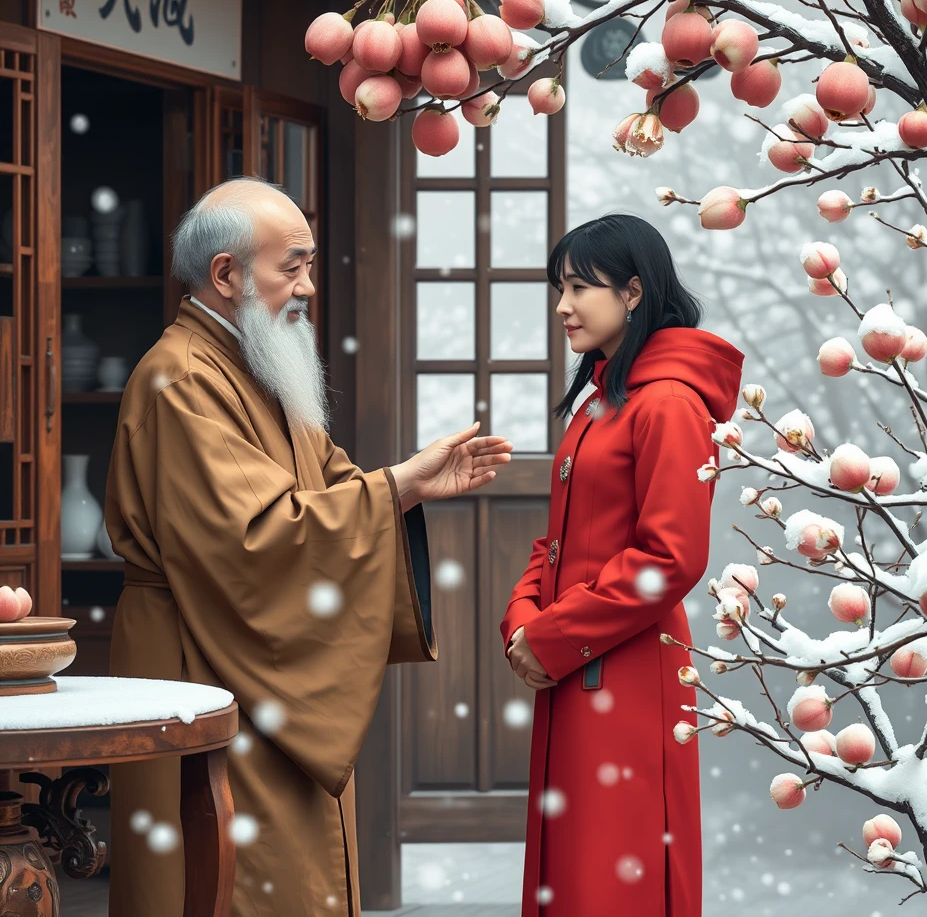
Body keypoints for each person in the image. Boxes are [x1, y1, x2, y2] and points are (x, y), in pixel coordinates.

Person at [105, 176, 513, 917]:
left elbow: (330, 489)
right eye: (290, 267)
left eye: (310, 264)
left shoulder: (252, 365)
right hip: (203, 656)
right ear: (226, 275)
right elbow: (252, 540)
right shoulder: (180, 379)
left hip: (261, 652)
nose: (309, 287)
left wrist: (406, 488)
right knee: (226, 877)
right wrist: (393, 488)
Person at [500, 214, 744, 917]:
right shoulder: (605, 402)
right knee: (578, 875)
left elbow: (670, 558)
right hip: (580, 664)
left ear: (634, 292)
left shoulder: (666, 404)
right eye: (559, 287)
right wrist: (524, 623)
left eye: (579, 287)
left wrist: (549, 639)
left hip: (630, 676)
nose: (562, 306)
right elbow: (556, 547)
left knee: (614, 876)